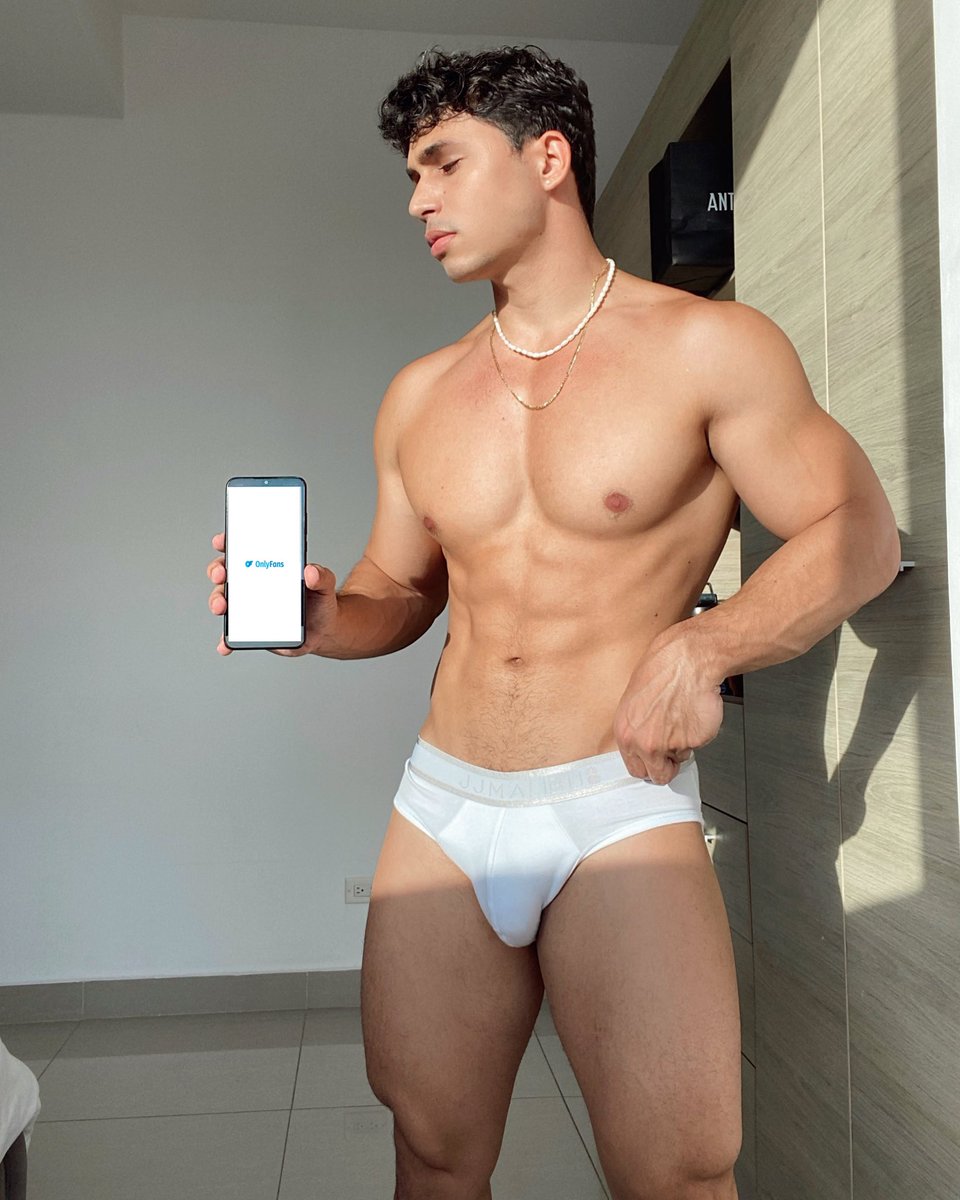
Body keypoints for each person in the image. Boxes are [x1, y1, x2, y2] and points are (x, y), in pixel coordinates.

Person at [206, 46, 901, 1200]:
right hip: (443, 804)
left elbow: (859, 532)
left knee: (679, 1173)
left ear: (547, 157)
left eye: (443, 163)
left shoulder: (707, 347)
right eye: (411, 177)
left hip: (614, 804)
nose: (418, 201)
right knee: (432, 1154)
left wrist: (706, 644)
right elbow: (403, 590)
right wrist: (325, 621)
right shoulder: (419, 396)